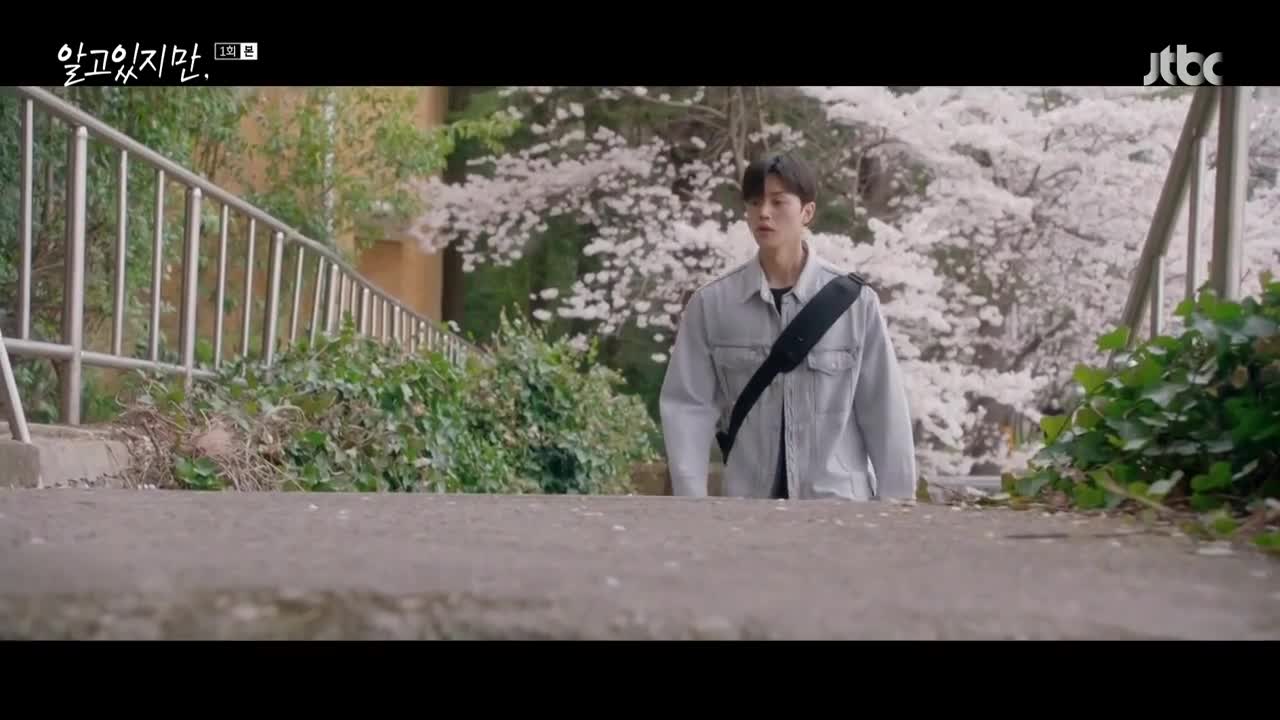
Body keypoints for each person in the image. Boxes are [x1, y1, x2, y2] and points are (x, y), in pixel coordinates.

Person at [658, 152, 917, 500]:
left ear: (807, 212)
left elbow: (883, 408)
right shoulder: (712, 304)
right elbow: (688, 407)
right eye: (755, 202)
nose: (764, 213)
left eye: (778, 202)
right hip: (748, 507)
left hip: (839, 505)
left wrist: (897, 504)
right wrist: (692, 501)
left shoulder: (855, 303)